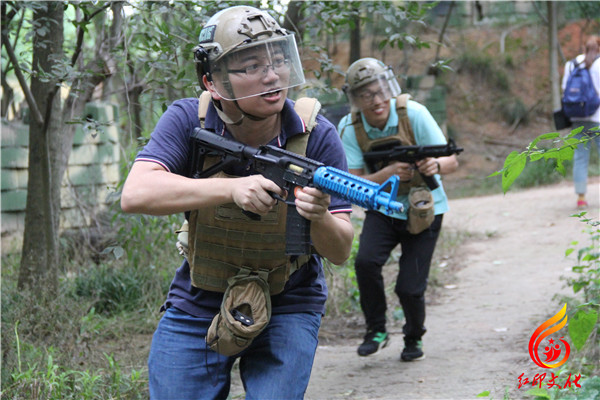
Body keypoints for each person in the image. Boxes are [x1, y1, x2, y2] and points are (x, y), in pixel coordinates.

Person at [120, 6, 354, 399]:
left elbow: (341, 249)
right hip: (200, 295)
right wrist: (230, 188)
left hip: (290, 297)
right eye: (251, 65)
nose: (271, 75)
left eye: (279, 60)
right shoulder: (188, 119)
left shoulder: (316, 135)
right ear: (214, 83)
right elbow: (136, 193)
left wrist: (318, 218)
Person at [337, 58, 459, 361]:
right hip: (382, 208)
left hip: (425, 209)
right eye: (366, 95)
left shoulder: (414, 114)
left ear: (389, 88)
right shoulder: (350, 127)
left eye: (380, 91)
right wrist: (389, 174)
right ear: (355, 99)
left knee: (409, 287)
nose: (376, 101)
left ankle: (413, 337)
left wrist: (435, 165)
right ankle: (376, 330)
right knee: (365, 263)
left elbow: (451, 161)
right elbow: (351, 180)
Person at [561, 35, 600, 209]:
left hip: (577, 119)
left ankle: (581, 198)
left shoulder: (571, 65)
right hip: (598, 117)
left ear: (584, 47)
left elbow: (564, 90)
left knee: (580, 157)